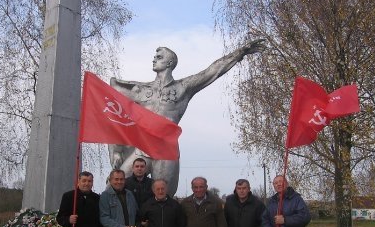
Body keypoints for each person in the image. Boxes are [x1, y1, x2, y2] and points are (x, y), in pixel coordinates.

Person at [108, 39, 266, 196]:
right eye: (155, 57)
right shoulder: (140, 90)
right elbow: (112, 107)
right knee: (113, 185)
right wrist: (116, 150)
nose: (154, 59)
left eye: (159, 57)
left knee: (163, 195)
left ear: (170, 63)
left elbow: (212, 71)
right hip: (143, 149)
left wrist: (240, 52)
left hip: (166, 149)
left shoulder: (182, 88)